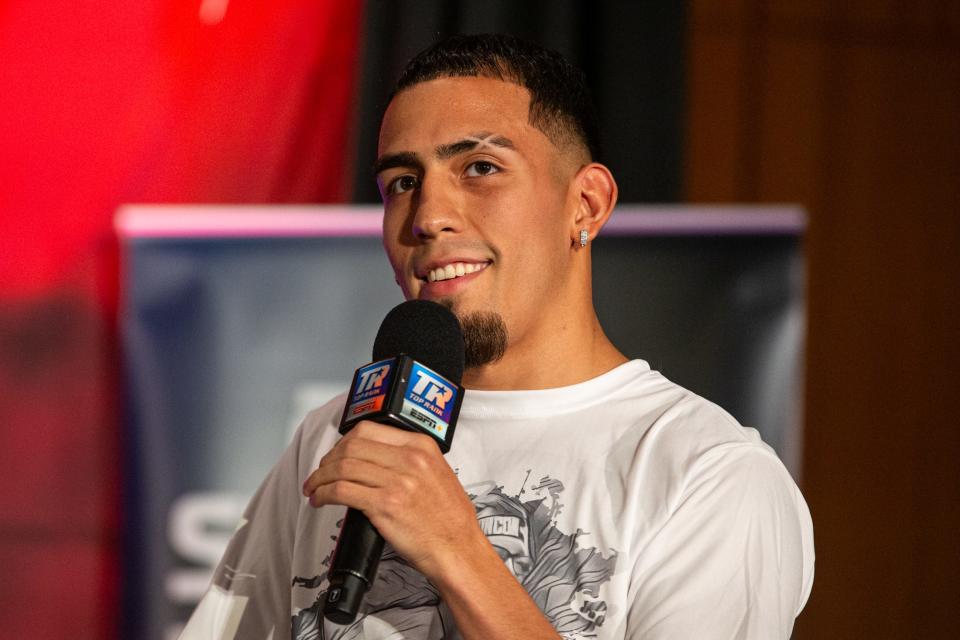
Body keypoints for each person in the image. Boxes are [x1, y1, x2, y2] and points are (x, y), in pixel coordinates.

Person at [180, 34, 814, 640]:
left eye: (480, 167)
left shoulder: (707, 473)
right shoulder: (335, 435)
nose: (428, 216)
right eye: (402, 182)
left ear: (586, 204)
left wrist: (458, 551)